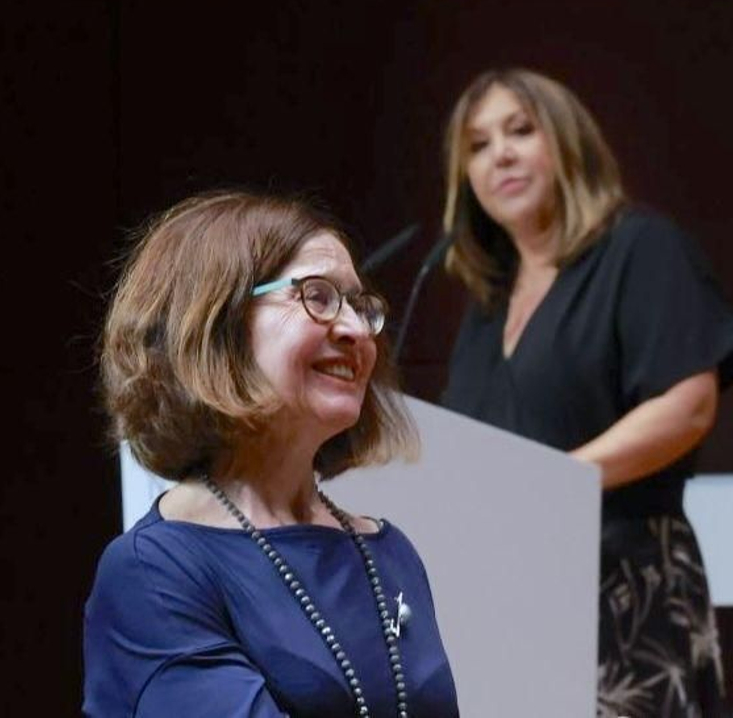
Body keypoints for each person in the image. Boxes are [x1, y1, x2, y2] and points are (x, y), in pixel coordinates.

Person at [436, 68, 733, 718]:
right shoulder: (487, 305)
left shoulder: (638, 249)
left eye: (521, 131)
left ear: (566, 142)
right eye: (477, 144)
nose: (500, 154)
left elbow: (687, 404)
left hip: (624, 585)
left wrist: (554, 481)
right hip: (508, 600)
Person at [84, 190, 459, 716]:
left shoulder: (392, 554)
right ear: (214, 324)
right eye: (317, 296)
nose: (355, 330)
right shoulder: (153, 573)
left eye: (358, 305)